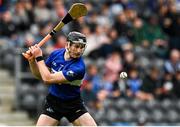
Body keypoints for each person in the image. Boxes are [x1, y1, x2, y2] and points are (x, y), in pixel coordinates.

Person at [23, 31, 97, 126]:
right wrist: (32, 61)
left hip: (73, 104)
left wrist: (38, 57)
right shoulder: (55, 54)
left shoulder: (79, 68)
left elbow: (47, 79)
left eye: (82, 47)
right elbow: (39, 75)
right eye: (76, 46)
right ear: (68, 45)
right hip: (54, 102)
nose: (79, 51)